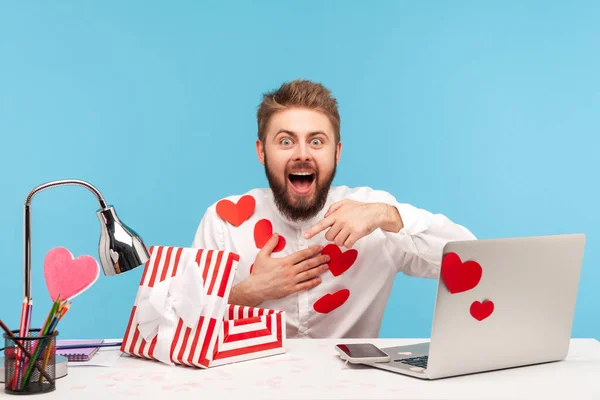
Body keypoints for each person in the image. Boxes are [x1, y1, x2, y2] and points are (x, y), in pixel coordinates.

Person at [191, 79, 476, 338]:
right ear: (261, 151)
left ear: (336, 152)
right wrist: (248, 293)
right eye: (286, 141)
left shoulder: (373, 216)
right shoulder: (223, 222)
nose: (302, 154)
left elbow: (472, 258)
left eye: (316, 141)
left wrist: (387, 215)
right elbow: (182, 323)